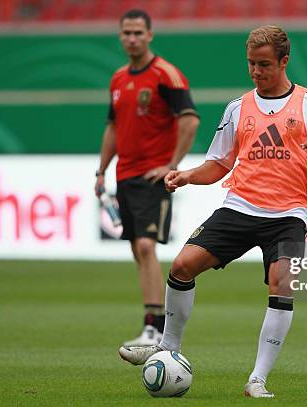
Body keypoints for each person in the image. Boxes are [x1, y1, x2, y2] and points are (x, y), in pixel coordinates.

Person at [119, 25, 307, 397]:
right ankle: (169, 347)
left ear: (284, 61)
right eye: (251, 64)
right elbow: (219, 164)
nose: (257, 72)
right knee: (181, 266)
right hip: (240, 207)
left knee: (283, 283)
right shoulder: (238, 108)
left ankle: (257, 379)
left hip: (288, 215)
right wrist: (186, 176)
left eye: (264, 65)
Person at [95, 9, 200, 347]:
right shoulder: (118, 79)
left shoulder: (165, 74)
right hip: (125, 176)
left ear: (150, 35)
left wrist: (171, 164)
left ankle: (155, 326)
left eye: (138, 32)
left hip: (153, 177)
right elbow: (113, 127)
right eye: (127, 32)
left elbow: (190, 120)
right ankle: (150, 320)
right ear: (120, 36)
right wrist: (102, 170)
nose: (132, 38)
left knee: (145, 245)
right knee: (137, 251)